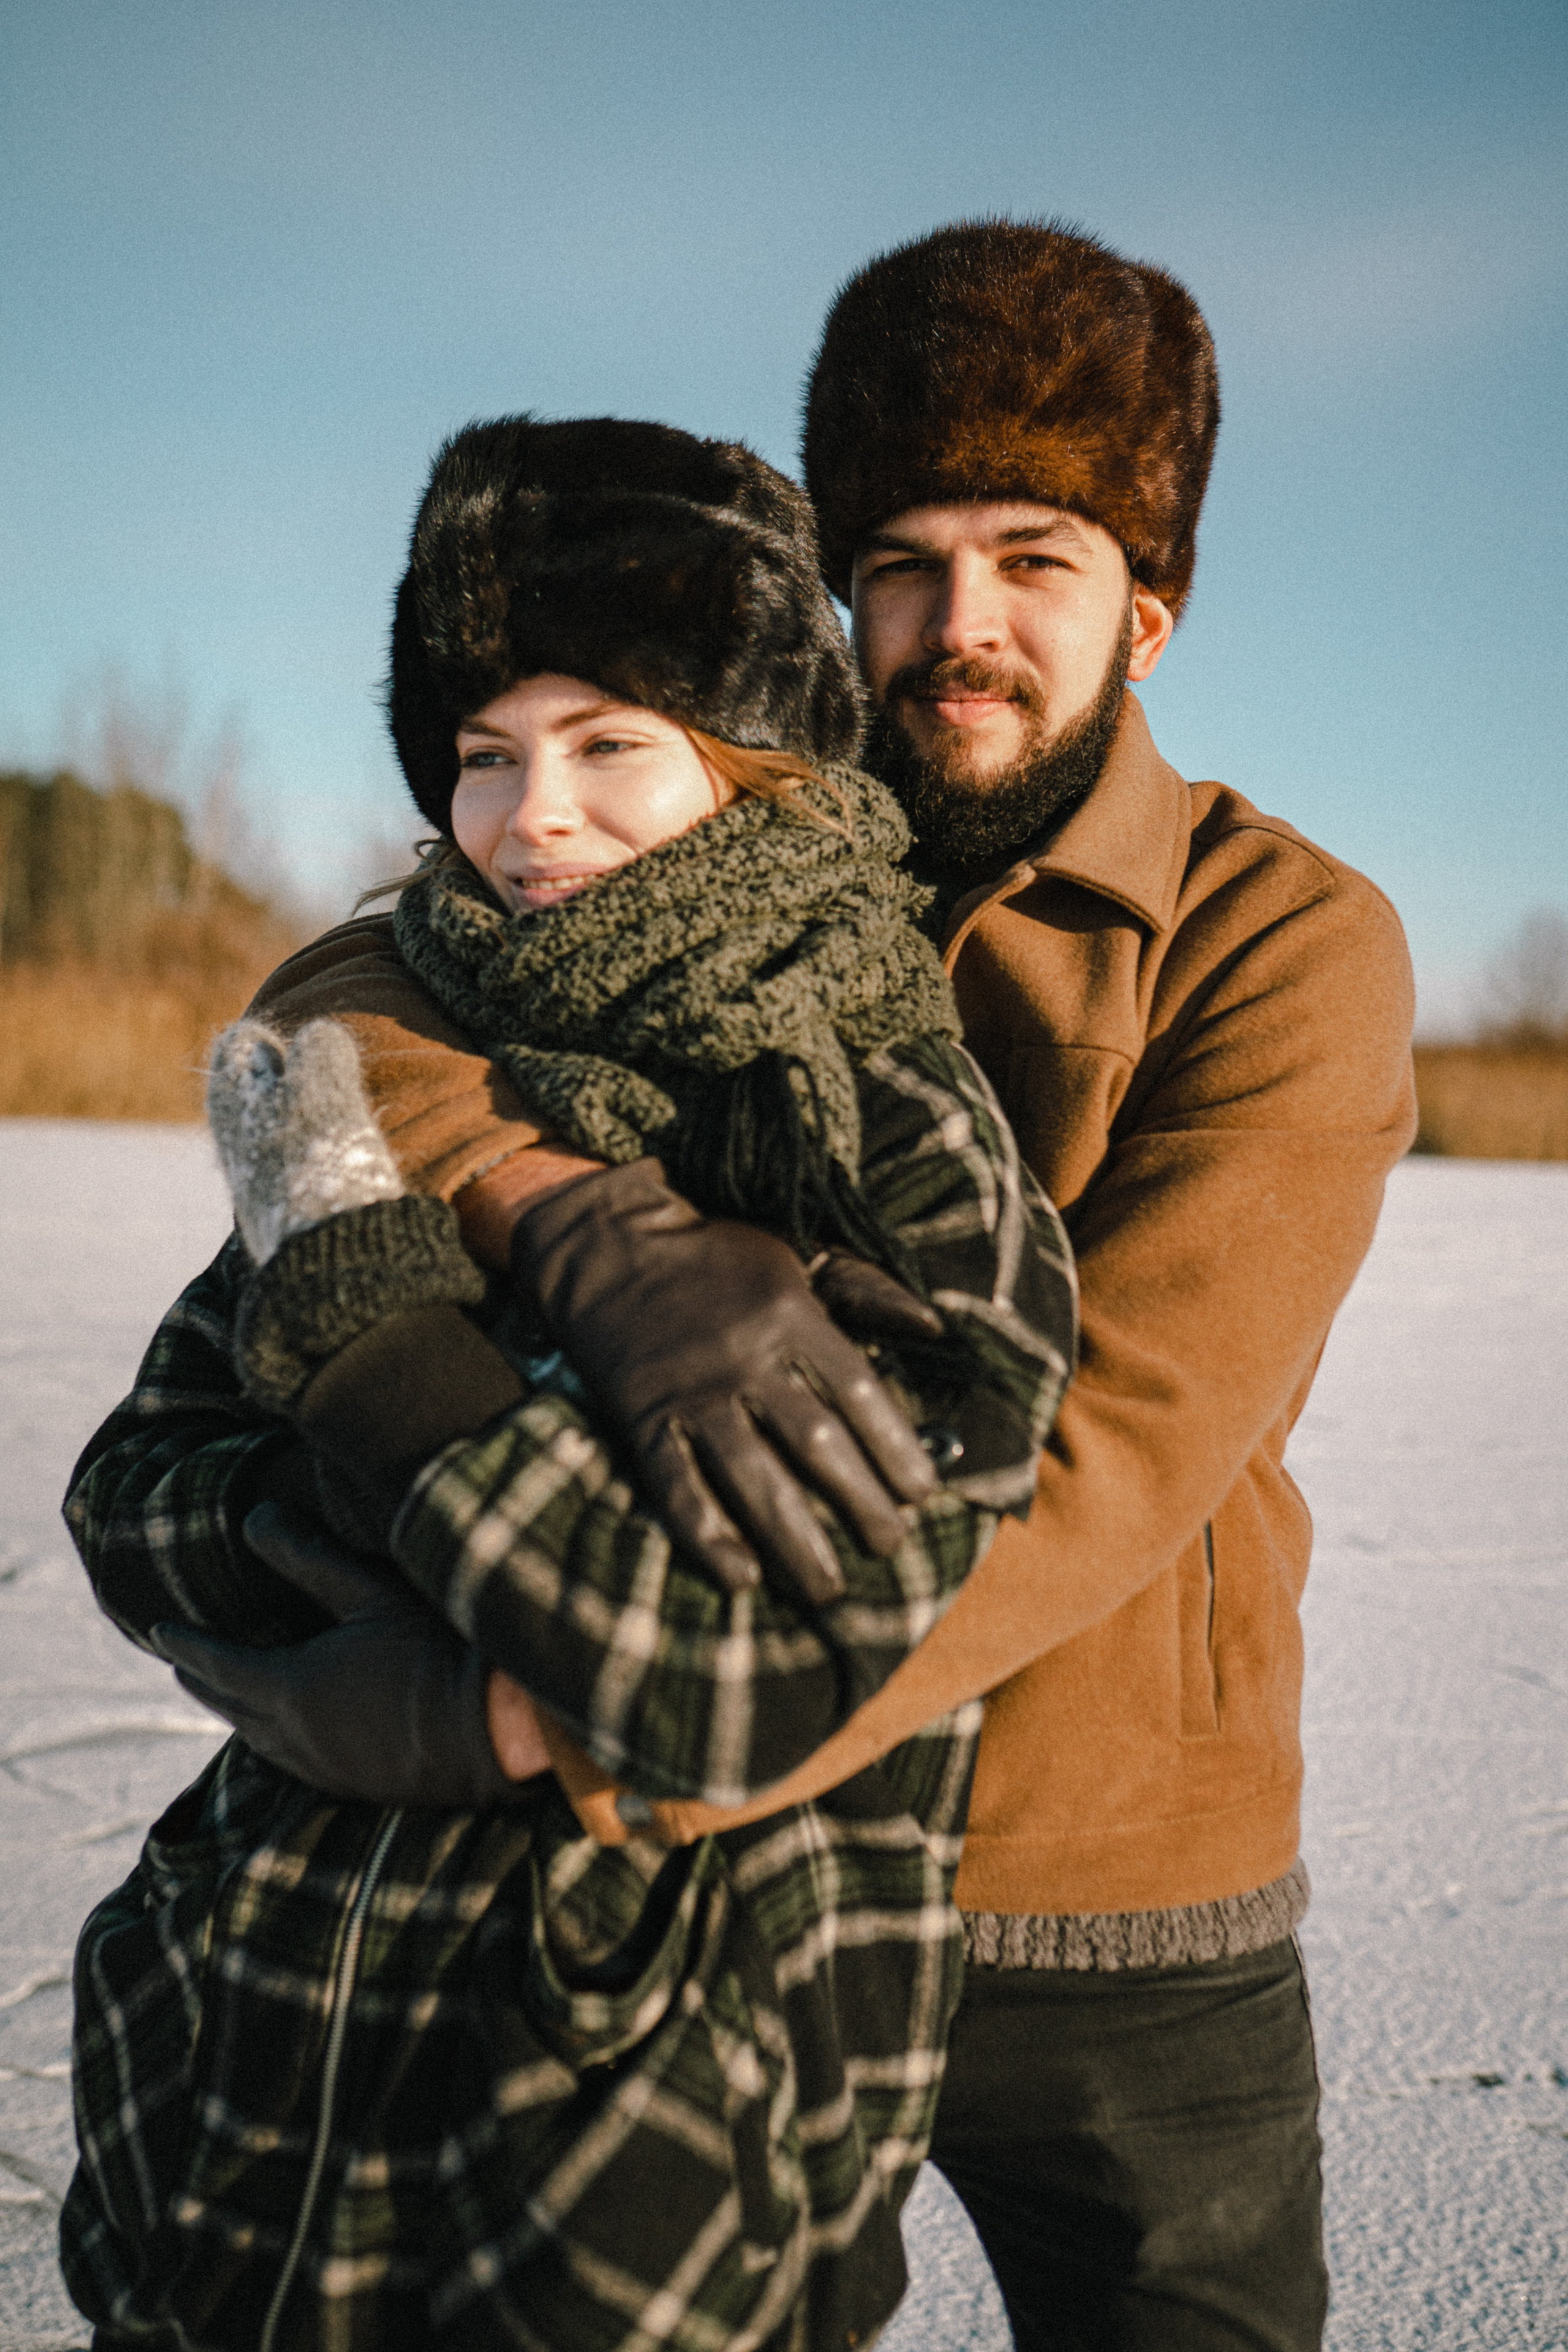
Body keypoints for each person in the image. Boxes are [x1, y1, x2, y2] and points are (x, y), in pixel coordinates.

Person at [122, 220, 1416, 2349]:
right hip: (746, 1927)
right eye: (901, 561)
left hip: (1105, 1901)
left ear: (1148, 613)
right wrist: (564, 1213)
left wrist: (633, 1724)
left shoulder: (1279, 930)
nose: (958, 624)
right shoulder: (698, 837)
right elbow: (334, 1015)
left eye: (1034, 558)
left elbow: (1119, 1442)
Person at [61, 417, 1078, 2351]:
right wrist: (425, 1700)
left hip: (621, 2166)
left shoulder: (884, 1129)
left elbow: (731, 1674)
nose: (531, 819)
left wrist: (374, 1352)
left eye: (612, 742)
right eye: (482, 752)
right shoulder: (377, 1082)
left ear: (762, 767)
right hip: (242, 2098)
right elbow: (135, 1491)